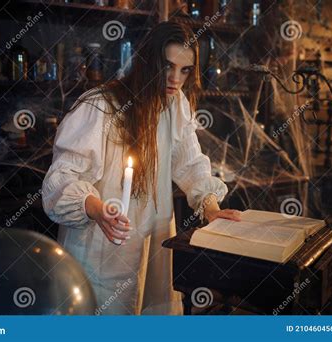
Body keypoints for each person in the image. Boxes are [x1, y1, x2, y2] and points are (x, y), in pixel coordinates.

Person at [41, 21, 241, 315]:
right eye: (167, 66)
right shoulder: (100, 106)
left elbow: (190, 161)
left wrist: (209, 206)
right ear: (147, 62)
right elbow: (60, 180)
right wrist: (96, 208)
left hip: (152, 239)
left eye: (185, 70)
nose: (175, 79)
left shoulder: (175, 104)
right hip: (102, 245)